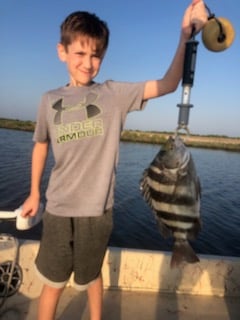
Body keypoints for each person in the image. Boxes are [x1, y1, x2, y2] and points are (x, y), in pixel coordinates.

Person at [21, 1, 207, 319]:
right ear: (61, 51)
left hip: (97, 212)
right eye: (80, 53)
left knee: (91, 274)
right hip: (57, 209)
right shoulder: (49, 100)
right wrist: (35, 192)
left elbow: (168, 84)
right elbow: (41, 145)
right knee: (52, 282)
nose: (88, 62)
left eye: (96, 55)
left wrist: (184, 37)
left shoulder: (114, 95)